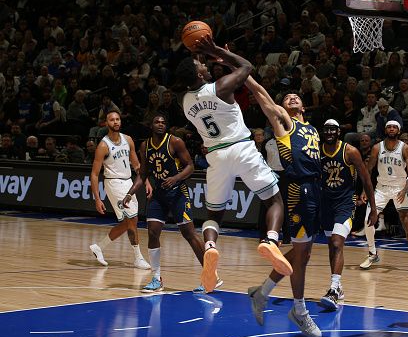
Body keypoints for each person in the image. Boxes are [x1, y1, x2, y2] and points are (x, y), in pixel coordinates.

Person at [176, 36, 291, 294]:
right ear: (196, 72)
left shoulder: (183, 102)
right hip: (241, 148)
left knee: (214, 214)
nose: (205, 65)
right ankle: (271, 241)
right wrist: (219, 52)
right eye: (201, 63)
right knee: (273, 201)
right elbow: (247, 67)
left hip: (215, 156)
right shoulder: (220, 87)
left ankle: (210, 247)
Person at [245, 84, 323, 337]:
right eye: (287, 97)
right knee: (300, 255)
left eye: (297, 96)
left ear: (304, 106)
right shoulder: (284, 124)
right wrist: (247, 77)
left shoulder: (311, 129)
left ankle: (262, 292)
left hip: (315, 189)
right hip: (297, 190)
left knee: (305, 252)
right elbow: (264, 99)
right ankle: (299, 311)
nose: (293, 97)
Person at [122, 115, 209, 292]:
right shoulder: (145, 146)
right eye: (157, 122)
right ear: (151, 125)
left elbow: (190, 166)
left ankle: (210, 275)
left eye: (163, 122)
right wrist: (130, 193)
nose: (161, 125)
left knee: (189, 234)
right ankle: (156, 278)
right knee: (152, 232)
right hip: (159, 194)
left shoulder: (175, 142)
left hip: (178, 193)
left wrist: (175, 178)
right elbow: (143, 173)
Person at [319, 119, 377, 310]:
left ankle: (334, 289)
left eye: (332, 130)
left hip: (345, 203)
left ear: (338, 132)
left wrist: (374, 208)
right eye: (326, 129)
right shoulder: (318, 151)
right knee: (332, 246)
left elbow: (366, 180)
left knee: (337, 242)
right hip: (325, 203)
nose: (329, 132)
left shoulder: (350, 151)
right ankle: (338, 286)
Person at [89, 110, 151, 270]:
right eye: (112, 120)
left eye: (117, 119)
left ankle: (99, 247)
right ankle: (138, 258)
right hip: (114, 184)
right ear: (106, 123)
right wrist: (97, 198)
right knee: (131, 220)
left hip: (128, 182)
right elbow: (95, 174)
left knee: (129, 222)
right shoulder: (103, 145)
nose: (115, 122)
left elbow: (136, 165)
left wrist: (147, 182)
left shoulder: (128, 139)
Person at [359, 120, 408, 274]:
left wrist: (405, 188)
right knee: (368, 221)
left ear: (398, 131)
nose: (392, 129)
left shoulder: (405, 148)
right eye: (389, 127)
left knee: (406, 222)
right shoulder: (377, 148)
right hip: (382, 188)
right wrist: (365, 190)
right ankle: (372, 254)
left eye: (394, 127)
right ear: (385, 129)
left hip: (400, 188)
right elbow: (369, 170)